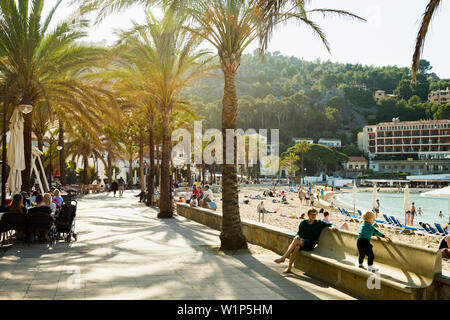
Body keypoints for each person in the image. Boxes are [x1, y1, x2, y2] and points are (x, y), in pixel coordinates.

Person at [274, 208, 337, 273]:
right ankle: (289, 268)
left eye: (315, 214)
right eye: (312, 214)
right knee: (296, 247)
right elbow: (298, 233)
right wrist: (297, 236)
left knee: (296, 241)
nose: (313, 216)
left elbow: (331, 224)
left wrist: (333, 227)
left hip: (310, 244)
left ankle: (283, 257)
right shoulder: (303, 223)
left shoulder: (318, 223)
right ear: (308, 215)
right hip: (302, 242)